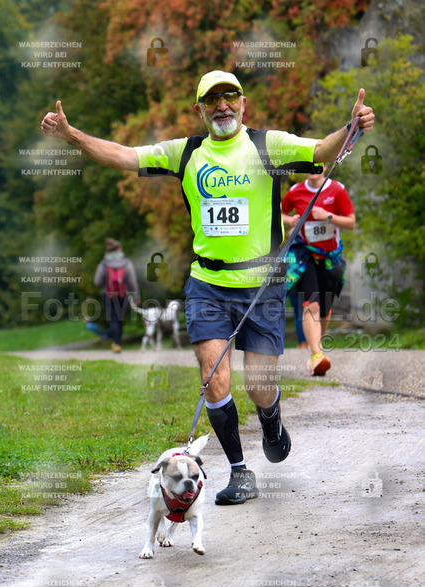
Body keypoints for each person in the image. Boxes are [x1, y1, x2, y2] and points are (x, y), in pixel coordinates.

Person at [41, 70, 374, 505]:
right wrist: (71, 136)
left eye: (230, 96)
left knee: (259, 385)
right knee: (214, 379)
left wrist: (350, 126)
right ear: (199, 109)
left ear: (243, 103)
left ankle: (270, 416)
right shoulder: (185, 153)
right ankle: (239, 471)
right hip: (208, 285)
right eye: (212, 99)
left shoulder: (267, 145)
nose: (222, 105)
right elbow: (123, 155)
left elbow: (320, 150)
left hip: (262, 287)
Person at [282, 165, 355, 375]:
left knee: (323, 309)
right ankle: (315, 354)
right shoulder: (296, 191)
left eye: (318, 163)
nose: (314, 168)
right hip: (305, 255)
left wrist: (328, 216)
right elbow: (279, 212)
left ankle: (318, 349)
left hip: (329, 258)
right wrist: (290, 220)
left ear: (326, 166)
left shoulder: (337, 190)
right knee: (311, 304)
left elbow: (351, 223)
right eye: (308, 163)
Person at [93, 238, 140, 353]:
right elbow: (132, 281)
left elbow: (97, 281)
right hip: (123, 294)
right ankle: (118, 342)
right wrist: (136, 297)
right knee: (120, 319)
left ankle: (117, 343)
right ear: (119, 249)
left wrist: (105, 286)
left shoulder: (104, 263)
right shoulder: (126, 263)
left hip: (108, 295)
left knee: (113, 319)